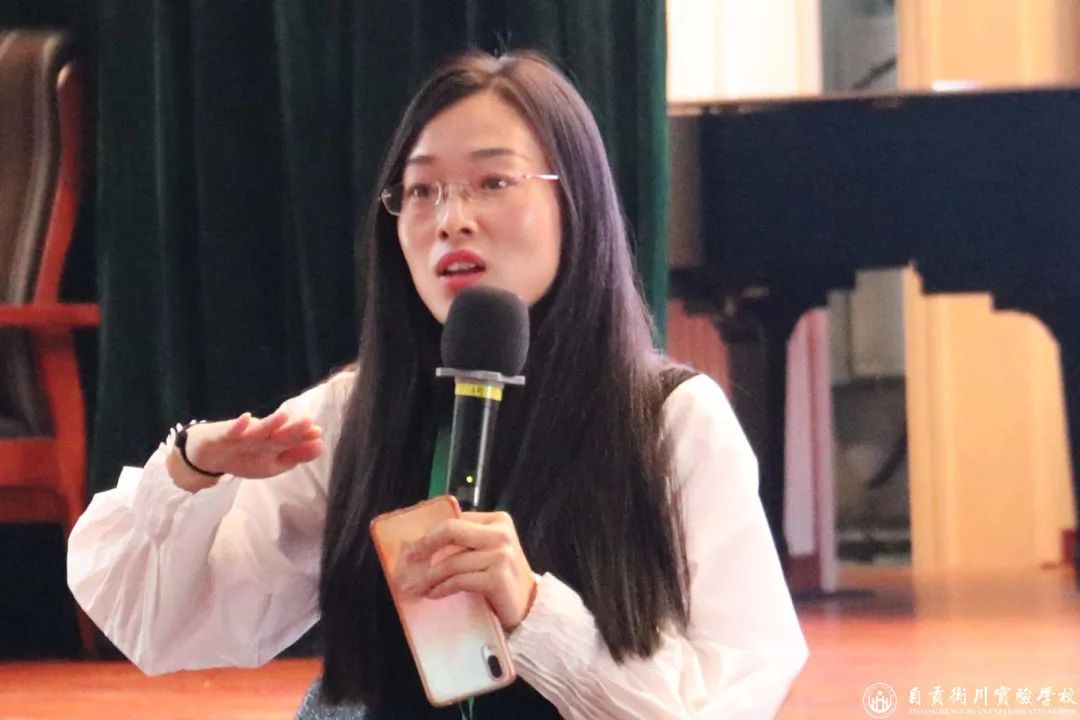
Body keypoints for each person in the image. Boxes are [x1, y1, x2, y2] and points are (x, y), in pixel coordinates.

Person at [67, 50, 808, 719]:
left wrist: (534, 612)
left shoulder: (672, 420)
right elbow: (159, 628)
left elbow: (733, 693)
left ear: (575, 202)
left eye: (494, 181)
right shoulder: (355, 412)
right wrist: (190, 472)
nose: (452, 219)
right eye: (421, 191)